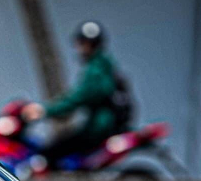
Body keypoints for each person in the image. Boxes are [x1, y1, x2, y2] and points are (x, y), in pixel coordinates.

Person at [22, 21, 134, 162]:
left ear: (88, 44)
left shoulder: (96, 69)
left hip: (98, 128)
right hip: (102, 125)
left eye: (80, 43)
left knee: (50, 152)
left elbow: (79, 98)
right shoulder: (104, 64)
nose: (78, 48)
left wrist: (45, 110)